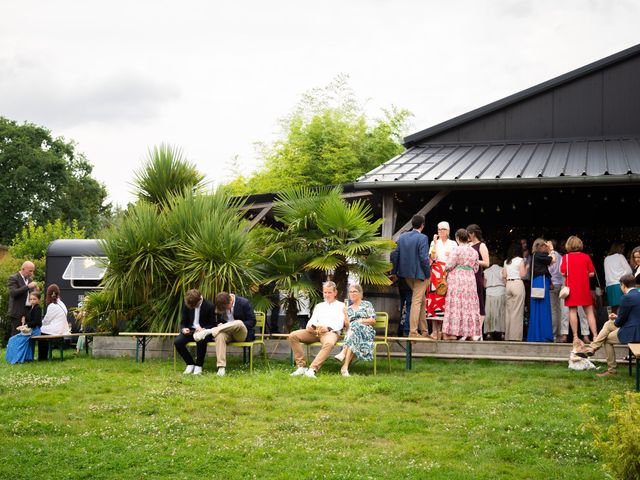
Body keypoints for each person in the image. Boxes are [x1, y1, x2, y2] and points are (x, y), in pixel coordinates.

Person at [578, 274, 640, 377]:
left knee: (606, 339)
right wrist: (617, 317)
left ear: (623, 285)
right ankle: (593, 348)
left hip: (633, 332)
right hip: (634, 327)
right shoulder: (637, 295)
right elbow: (633, 315)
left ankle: (611, 370)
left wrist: (616, 319)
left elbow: (619, 323)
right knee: (608, 324)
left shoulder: (626, 297)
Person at [288, 281, 345, 378]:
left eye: (329, 292)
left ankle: (312, 369)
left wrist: (327, 328)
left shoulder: (341, 306)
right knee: (293, 335)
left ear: (335, 293)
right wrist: (310, 327)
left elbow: (340, 323)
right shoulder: (319, 306)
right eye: (325, 292)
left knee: (329, 343)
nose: (327, 295)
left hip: (331, 332)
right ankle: (301, 367)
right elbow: (312, 320)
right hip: (315, 331)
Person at [193, 292, 256, 377]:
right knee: (219, 335)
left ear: (230, 301)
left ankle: (210, 331)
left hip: (241, 333)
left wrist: (234, 325)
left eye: (226, 308)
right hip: (227, 333)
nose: (225, 310)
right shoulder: (221, 305)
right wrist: (220, 324)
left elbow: (252, 321)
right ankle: (221, 367)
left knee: (238, 322)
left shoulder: (244, 303)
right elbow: (219, 320)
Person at [390, 214, 431, 339]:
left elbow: (394, 255)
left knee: (421, 301)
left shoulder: (402, 237)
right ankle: (413, 332)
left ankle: (424, 332)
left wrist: (395, 271)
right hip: (420, 275)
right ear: (422, 225)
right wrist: (428, 273)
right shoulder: (423, 238)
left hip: (406, 276)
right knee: (417, 302)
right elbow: (424, 258)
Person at [442, 229, 481, 340]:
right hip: (470, 280)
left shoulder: (456, 250)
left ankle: (452, 334)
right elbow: (476, 268)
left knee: (456, 305)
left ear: (457, 238)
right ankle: (470, 333)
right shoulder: (474, 251)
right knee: (469, 305)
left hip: (457, 280)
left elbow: (448, 266)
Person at [560, 235, 599, 345]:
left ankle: (575, 337)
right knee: (589, 312)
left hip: (571, 288)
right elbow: (591, 273)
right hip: (583, 288)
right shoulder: (586, 257)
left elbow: (563, 273)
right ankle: (595, 336)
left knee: (572, 311)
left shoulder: (565, 258)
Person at [332, 284, 376, 377]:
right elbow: (348, 327)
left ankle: (343, 352)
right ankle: (345, 367)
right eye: (350, 292)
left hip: (366, 331)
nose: (352, 293)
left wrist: (361, 321)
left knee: (355, 325)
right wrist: (345, 314)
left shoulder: (367, 304)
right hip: (353, 333)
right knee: (354, 330)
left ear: (360, 293)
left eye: (354, 291)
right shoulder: (349, 308)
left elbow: (373, 321)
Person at [174, 289, 216, 375]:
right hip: (190, 331)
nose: (192, 307)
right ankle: (190, 364)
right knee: (177, 342)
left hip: (204, 331)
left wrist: (204, 328)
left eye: (195, 306)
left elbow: (213, 324)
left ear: (200, 300)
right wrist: (184, 329)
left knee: (201, 340)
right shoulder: (188, 304)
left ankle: (198, 366)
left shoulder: (210, 306)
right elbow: (183, 321)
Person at [426, 221, 457, 340]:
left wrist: (450, 255)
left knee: (446, 301)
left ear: (448, 231)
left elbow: (456, 258)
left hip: (448, 272)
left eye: (443, 229)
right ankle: (434, 331)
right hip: (435, 272)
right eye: (439, 229)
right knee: (434, 300)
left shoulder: (453, 243)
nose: (441, 232)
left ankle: (445, 331)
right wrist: (434, 243)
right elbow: (432, 258)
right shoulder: (435, 243)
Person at [527, 238, 555, 342]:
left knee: (537, 309)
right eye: (544, 245)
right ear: (539, 246)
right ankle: (544, 335)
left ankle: (536, 335)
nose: (545, 247)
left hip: (538, 281)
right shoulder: (539, 255)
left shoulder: (535, 256)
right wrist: (551, 249)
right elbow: (553, 259)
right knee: (544, 308)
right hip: (541, 282)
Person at [5, 291, 42, 364]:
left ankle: (17, 359)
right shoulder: (32, 308)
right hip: (31, 329)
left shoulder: (37, 308)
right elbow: (31, 321)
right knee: (13, 339)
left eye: (34, 299)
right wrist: (24, 323)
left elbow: (36, 322)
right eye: (30, 299)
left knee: (13, 340)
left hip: (35, 330)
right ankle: (25, 358)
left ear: (38, 300)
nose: (32, 301)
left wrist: (26, 326)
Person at [467, 224, 490, 339]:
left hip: (477, 276)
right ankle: (470, 331)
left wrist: (474, 260)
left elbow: (487, 263)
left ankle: (478, 331)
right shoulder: (468, 245)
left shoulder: (481, 245)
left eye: (468, 233)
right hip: (467, 276)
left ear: (473, 234)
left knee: (479, 302)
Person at [6, 261, 38, 342]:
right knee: (16, 336)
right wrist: (27, 286)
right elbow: (13, 293)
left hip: (28, 311)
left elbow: (32, 296)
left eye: (33, 271)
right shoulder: (14, 278)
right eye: (30, 271)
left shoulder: (30, 280)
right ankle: (14, 354)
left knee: (27, 336)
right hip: (17, 312)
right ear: (23, 269)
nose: (32, 273)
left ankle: (24, 354)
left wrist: (36, 291)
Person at [38, 284, 71, 360]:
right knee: (43, 330)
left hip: (57, 330)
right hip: (64, 329)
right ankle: (43, 356)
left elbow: (46, 321)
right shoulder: (62, 303)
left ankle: (42, 357)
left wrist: (40, 324)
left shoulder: (52, 306)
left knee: (41, 331)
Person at [503, 243, 527, 341]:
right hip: (517, 283)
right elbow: (523, 275)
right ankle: (515, 336)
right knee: (517, 311)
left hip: (508, 284)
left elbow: (504, 275)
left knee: (509, 311)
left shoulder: (506, 261)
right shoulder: (520, 260)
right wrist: (527, 267)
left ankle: (507, 335)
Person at [604, 243, 632, 314]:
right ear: (619, 249)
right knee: (623, 308)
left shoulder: (606, 259)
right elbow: (629, 271)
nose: (623, 251)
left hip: (609, 286)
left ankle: (614, 324)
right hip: (619, 285)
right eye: (622, 249)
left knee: (613, 310)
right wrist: (621, 274)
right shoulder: (620, 256)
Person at [483, 256, 505, 340]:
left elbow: (484, 285)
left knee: (490, 313)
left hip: (490, 291)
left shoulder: (486, 271)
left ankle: (489, 333)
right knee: (501, 312)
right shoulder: (502, 269)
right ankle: (502, 332)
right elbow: (504, 280)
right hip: (501, 290)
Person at [548, 240, 565, 342]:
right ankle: (560, 334)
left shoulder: (551, 257)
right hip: (561, 284)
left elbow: (550, 271)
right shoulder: (561, 257)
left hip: (552, 284)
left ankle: (554, 334)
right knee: (560, 310)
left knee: (554, 310)